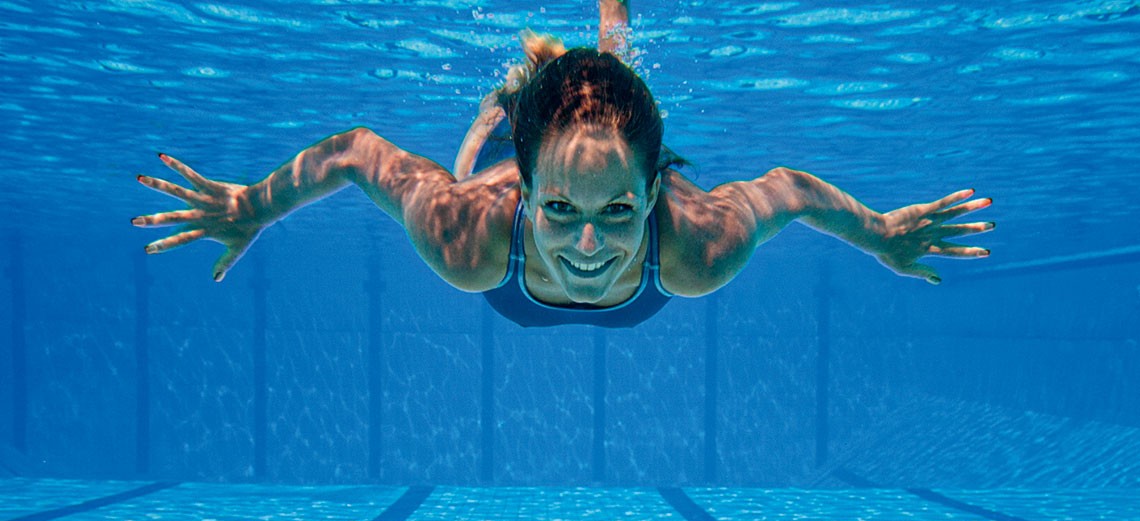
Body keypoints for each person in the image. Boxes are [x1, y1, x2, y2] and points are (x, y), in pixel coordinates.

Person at [133, 0, 993, 328]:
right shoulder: (472, 236)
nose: (587, 249)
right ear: (528, 195)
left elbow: (789, 190)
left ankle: (603, 42)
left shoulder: (693, 246)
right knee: (475, 157)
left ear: (653, 194)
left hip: (588, 177)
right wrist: (252, 204)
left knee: (617, 90)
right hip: (507, 174)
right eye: (560, 210)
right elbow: (359, 153)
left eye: (617, 211)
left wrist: (881, 233)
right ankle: (502, 115)